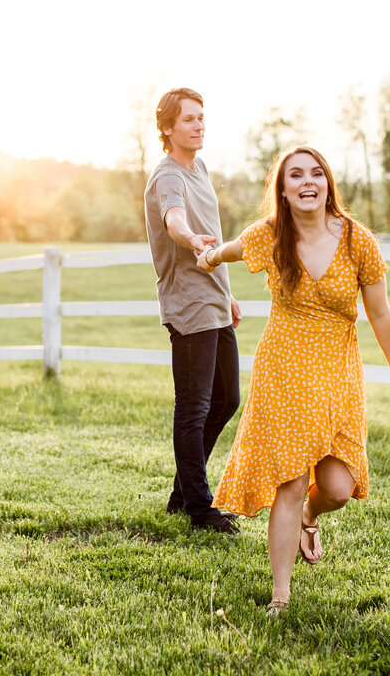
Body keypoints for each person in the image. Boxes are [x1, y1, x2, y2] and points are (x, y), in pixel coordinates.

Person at [198, 145, 390, 614]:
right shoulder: (272, 235)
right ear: (283, 189)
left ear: (328, 183)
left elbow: (379, 311)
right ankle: (281, 596)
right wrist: (210, 256)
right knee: (291, 483)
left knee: (337, 487)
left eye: (316, 173)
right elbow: (232, 249)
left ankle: (309, 518)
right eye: (295, 175)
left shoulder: (357, 240)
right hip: (284, 372)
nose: (307, 182)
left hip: (337, 375)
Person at [144, 88, 243, 535]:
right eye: (188, 119)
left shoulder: (199, 167)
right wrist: (193, 240)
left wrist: (228, 293)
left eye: (201, 118)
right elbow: (175, 220)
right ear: (167, 128)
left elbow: (209, 230)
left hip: (215, 299)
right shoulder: (167, 177)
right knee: (194, 406)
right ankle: (201, 511)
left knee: (226, 398)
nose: (198, 125)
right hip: (189, 304)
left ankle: (183, 493)